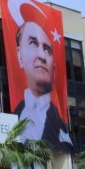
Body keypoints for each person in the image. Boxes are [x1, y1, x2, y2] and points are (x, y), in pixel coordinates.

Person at [12, 20, 74, 152]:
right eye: (33, 43)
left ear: (54, 69)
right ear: (20, 55)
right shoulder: (12, 118)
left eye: (47, 50)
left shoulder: (62, 131)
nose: (42, 56)